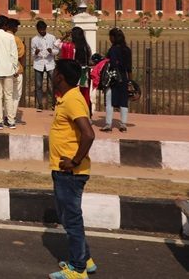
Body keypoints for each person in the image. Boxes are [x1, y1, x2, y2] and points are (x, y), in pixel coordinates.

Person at [48, 59, 97, 279]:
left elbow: (88, 134)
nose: (52, 75)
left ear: (60, 77)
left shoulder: (73, 100)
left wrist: (75, 161)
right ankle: (85, 259)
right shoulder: (66, 98)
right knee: (69, 217)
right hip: (65, 171)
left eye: (54, 72)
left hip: (70, 172)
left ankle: (78, 270)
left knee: (71, 220)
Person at [101, 28, 132, 133]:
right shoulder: (127, 50)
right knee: (123, 101)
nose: (109, 39)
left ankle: (108, 125)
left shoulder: (113, 50)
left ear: (113, 38)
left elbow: (112, 64)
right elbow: (129, 68)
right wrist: (130, 81)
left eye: (110, 37)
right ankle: (123, 125)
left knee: (109, 101)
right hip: (123, 78)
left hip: (112, 78)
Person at [31, 20, 59, 111]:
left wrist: (52, 51)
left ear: (45, 28)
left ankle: (53, 103)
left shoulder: (52, 37)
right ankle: (40, 104)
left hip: (50, 63)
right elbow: (32, 54)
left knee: (52, 85)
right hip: (38, 64)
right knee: (38, 85)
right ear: (37, 29)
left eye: (43, 29)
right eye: (40, 30)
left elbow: (57, 51)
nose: (42, 31)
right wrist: (36, 52)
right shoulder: (34, 39)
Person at [69, 26, 93, 114]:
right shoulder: (86, 47)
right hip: (85, 72)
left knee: (75, 93)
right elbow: (89, 60)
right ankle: (87, 112)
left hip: (76, 72)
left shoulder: (73, 47)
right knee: (85, 93)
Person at [6, 18, 25, 123]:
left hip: (4, 70)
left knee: (6, 94)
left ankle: (5, 115)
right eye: (16, 27)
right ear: (13, 28)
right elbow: (21, 55)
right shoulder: (16, 40)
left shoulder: (1, 39)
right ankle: (11, 116)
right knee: (16, 94)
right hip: (16, 69)